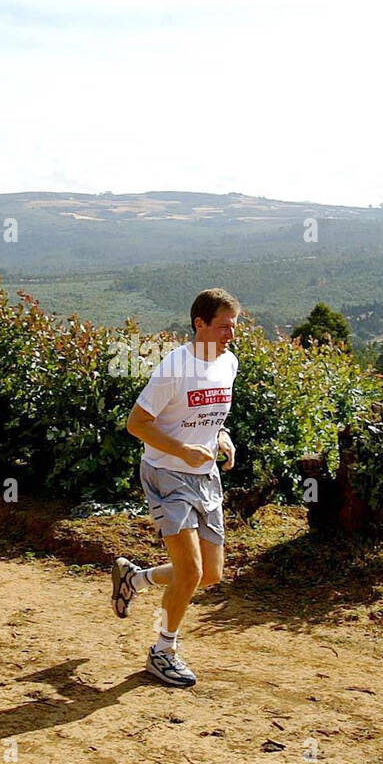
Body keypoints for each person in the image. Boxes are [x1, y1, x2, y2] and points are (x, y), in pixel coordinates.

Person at [111, 288, 240, 687]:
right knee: (190, 571)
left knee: (210, 575)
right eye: (223, 327)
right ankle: (163, 651)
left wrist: (221, 437)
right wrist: (184, 451)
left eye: (234, 327)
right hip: (167, 474)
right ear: (199, 324)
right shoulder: (175, 367)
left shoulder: (228, 363)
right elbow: (137, 424)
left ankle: (135, 579)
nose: (230, 336)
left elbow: (207, 414)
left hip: (205, 476)